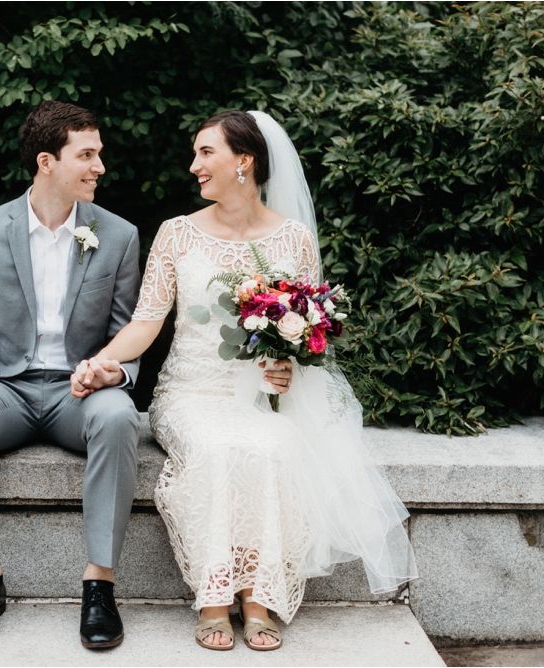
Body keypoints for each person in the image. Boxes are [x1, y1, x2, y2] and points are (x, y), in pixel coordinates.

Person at [72, 110, 418, 651]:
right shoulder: (176, 235)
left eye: (206, 153)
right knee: (214, 449)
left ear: (245, 162)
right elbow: (146, 322)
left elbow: (306, 331)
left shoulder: (294, 239)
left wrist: (288, 364)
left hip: (262, 397)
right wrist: (102, 363)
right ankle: (213, 599)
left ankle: (258, 598)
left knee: (274, 446)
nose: (194, 166)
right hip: (189, 394)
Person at [0, 100, 142, 649]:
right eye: (88, 155)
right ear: (47, 161)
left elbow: (130, 337)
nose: (100, 167)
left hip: (82, 395)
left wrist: (108, 373)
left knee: (121, 418)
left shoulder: (118, 235)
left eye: (100, 155)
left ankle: (100, 586)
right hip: (6, 389)